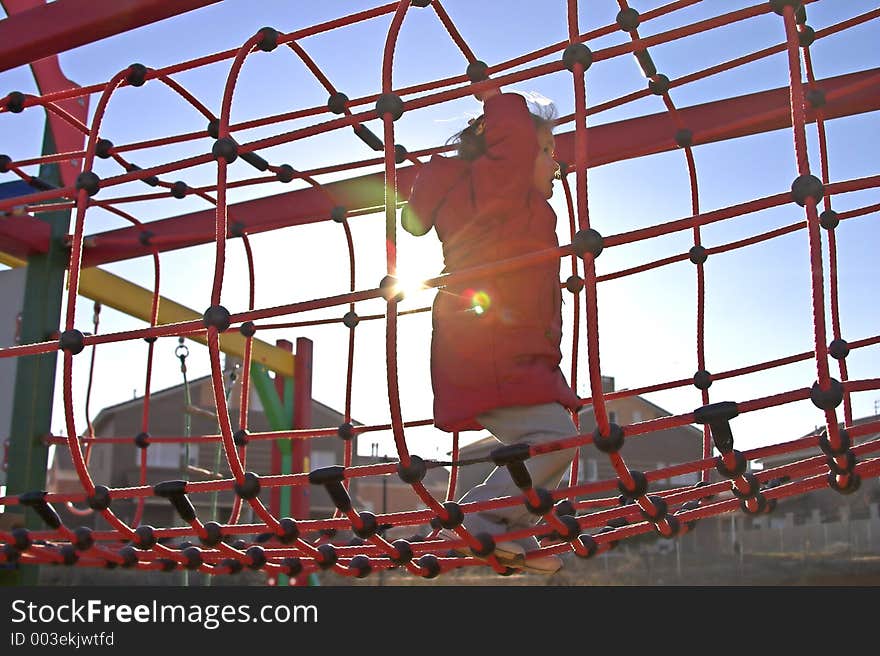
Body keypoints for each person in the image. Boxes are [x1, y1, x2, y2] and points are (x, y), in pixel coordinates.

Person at [402, 82, 580, 574]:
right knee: (556, 436)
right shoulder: (498, 190)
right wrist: (499, 100)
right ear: (512, 151)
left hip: (493, 341)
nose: (554, 163)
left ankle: (514, 530)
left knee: (550, 437)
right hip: (494, 342)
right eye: (546, 150)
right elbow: (516, 142)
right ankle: (483, 518)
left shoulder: (489, 198)